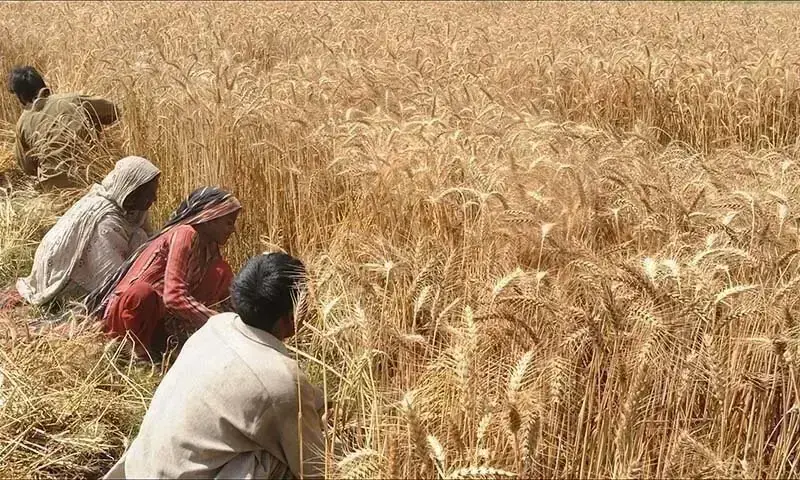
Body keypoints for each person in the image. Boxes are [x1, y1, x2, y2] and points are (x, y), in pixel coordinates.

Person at [103, 252, 326, 479]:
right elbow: (317, 468)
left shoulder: (216, 325)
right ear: (289, 317)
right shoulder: (282, 381)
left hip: (139, 470)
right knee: (276, 460)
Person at [84, 186, 242, 360]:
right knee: (143, 293)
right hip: (131, 316)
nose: (232, 230)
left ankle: (167, 342)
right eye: (229, 222)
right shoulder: (184, 234)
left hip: (161, 318)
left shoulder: (210, 250)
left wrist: (240, 326)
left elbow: (228, 299)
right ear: (210, 218)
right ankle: (135, 350)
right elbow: (173, 297)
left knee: (221, 272)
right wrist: (215, 321)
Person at [14, 155, 160, 309]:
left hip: (77, 269)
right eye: (149, 193)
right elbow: (113, 278)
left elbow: (151, 239)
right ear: (130, 191)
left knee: (140, 237)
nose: (155, 198)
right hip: (62, 280)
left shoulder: (130, 207)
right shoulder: (106, 223)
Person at [8, 66, 120, 190]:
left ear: (21, 97)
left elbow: (27, 167)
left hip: (53, 191)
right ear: (43, 85)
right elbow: (114, 110)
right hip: (89, 179)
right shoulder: (71, 99)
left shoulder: (22, 124)